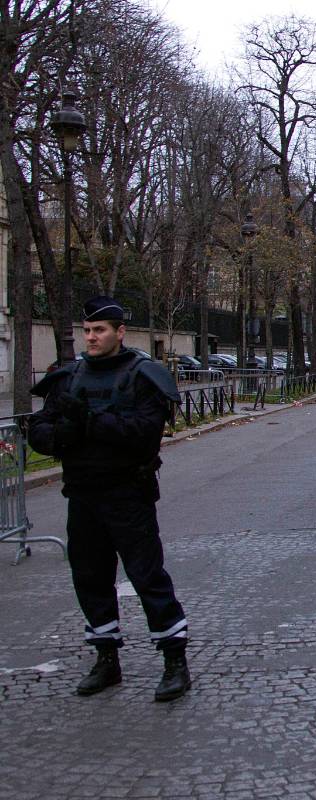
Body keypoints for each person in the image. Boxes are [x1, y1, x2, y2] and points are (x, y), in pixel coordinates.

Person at [28, 296, 192, 703]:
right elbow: (38, 431)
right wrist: (62, 434)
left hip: (128, 494)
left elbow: (144, 432)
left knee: (147, 577)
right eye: (86, 331)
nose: (92, 338)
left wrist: (91, 422)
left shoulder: (143, 375)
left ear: (119, 332)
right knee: (90, 578)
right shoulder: (69, 378)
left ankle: (174, 661)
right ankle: (106, 658)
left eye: (99, 331)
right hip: (82, 495)